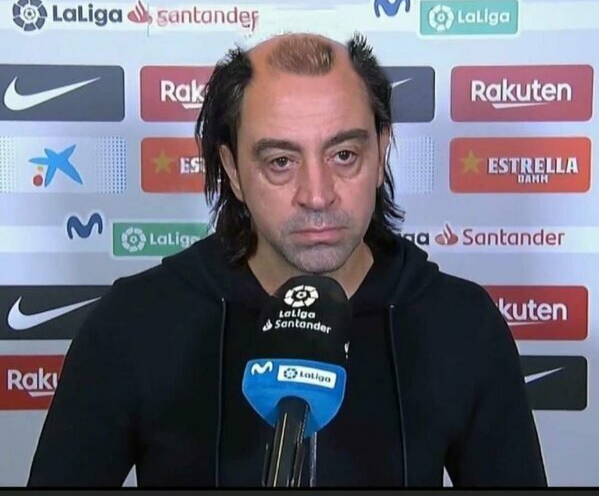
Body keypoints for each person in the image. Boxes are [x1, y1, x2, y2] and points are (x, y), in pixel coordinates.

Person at [28, 32, 547, 487]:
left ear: (381, 151)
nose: (317, 195)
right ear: (233, 169)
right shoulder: (135, 323)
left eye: (344, 155)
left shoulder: (461, 324)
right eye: (280, 161)